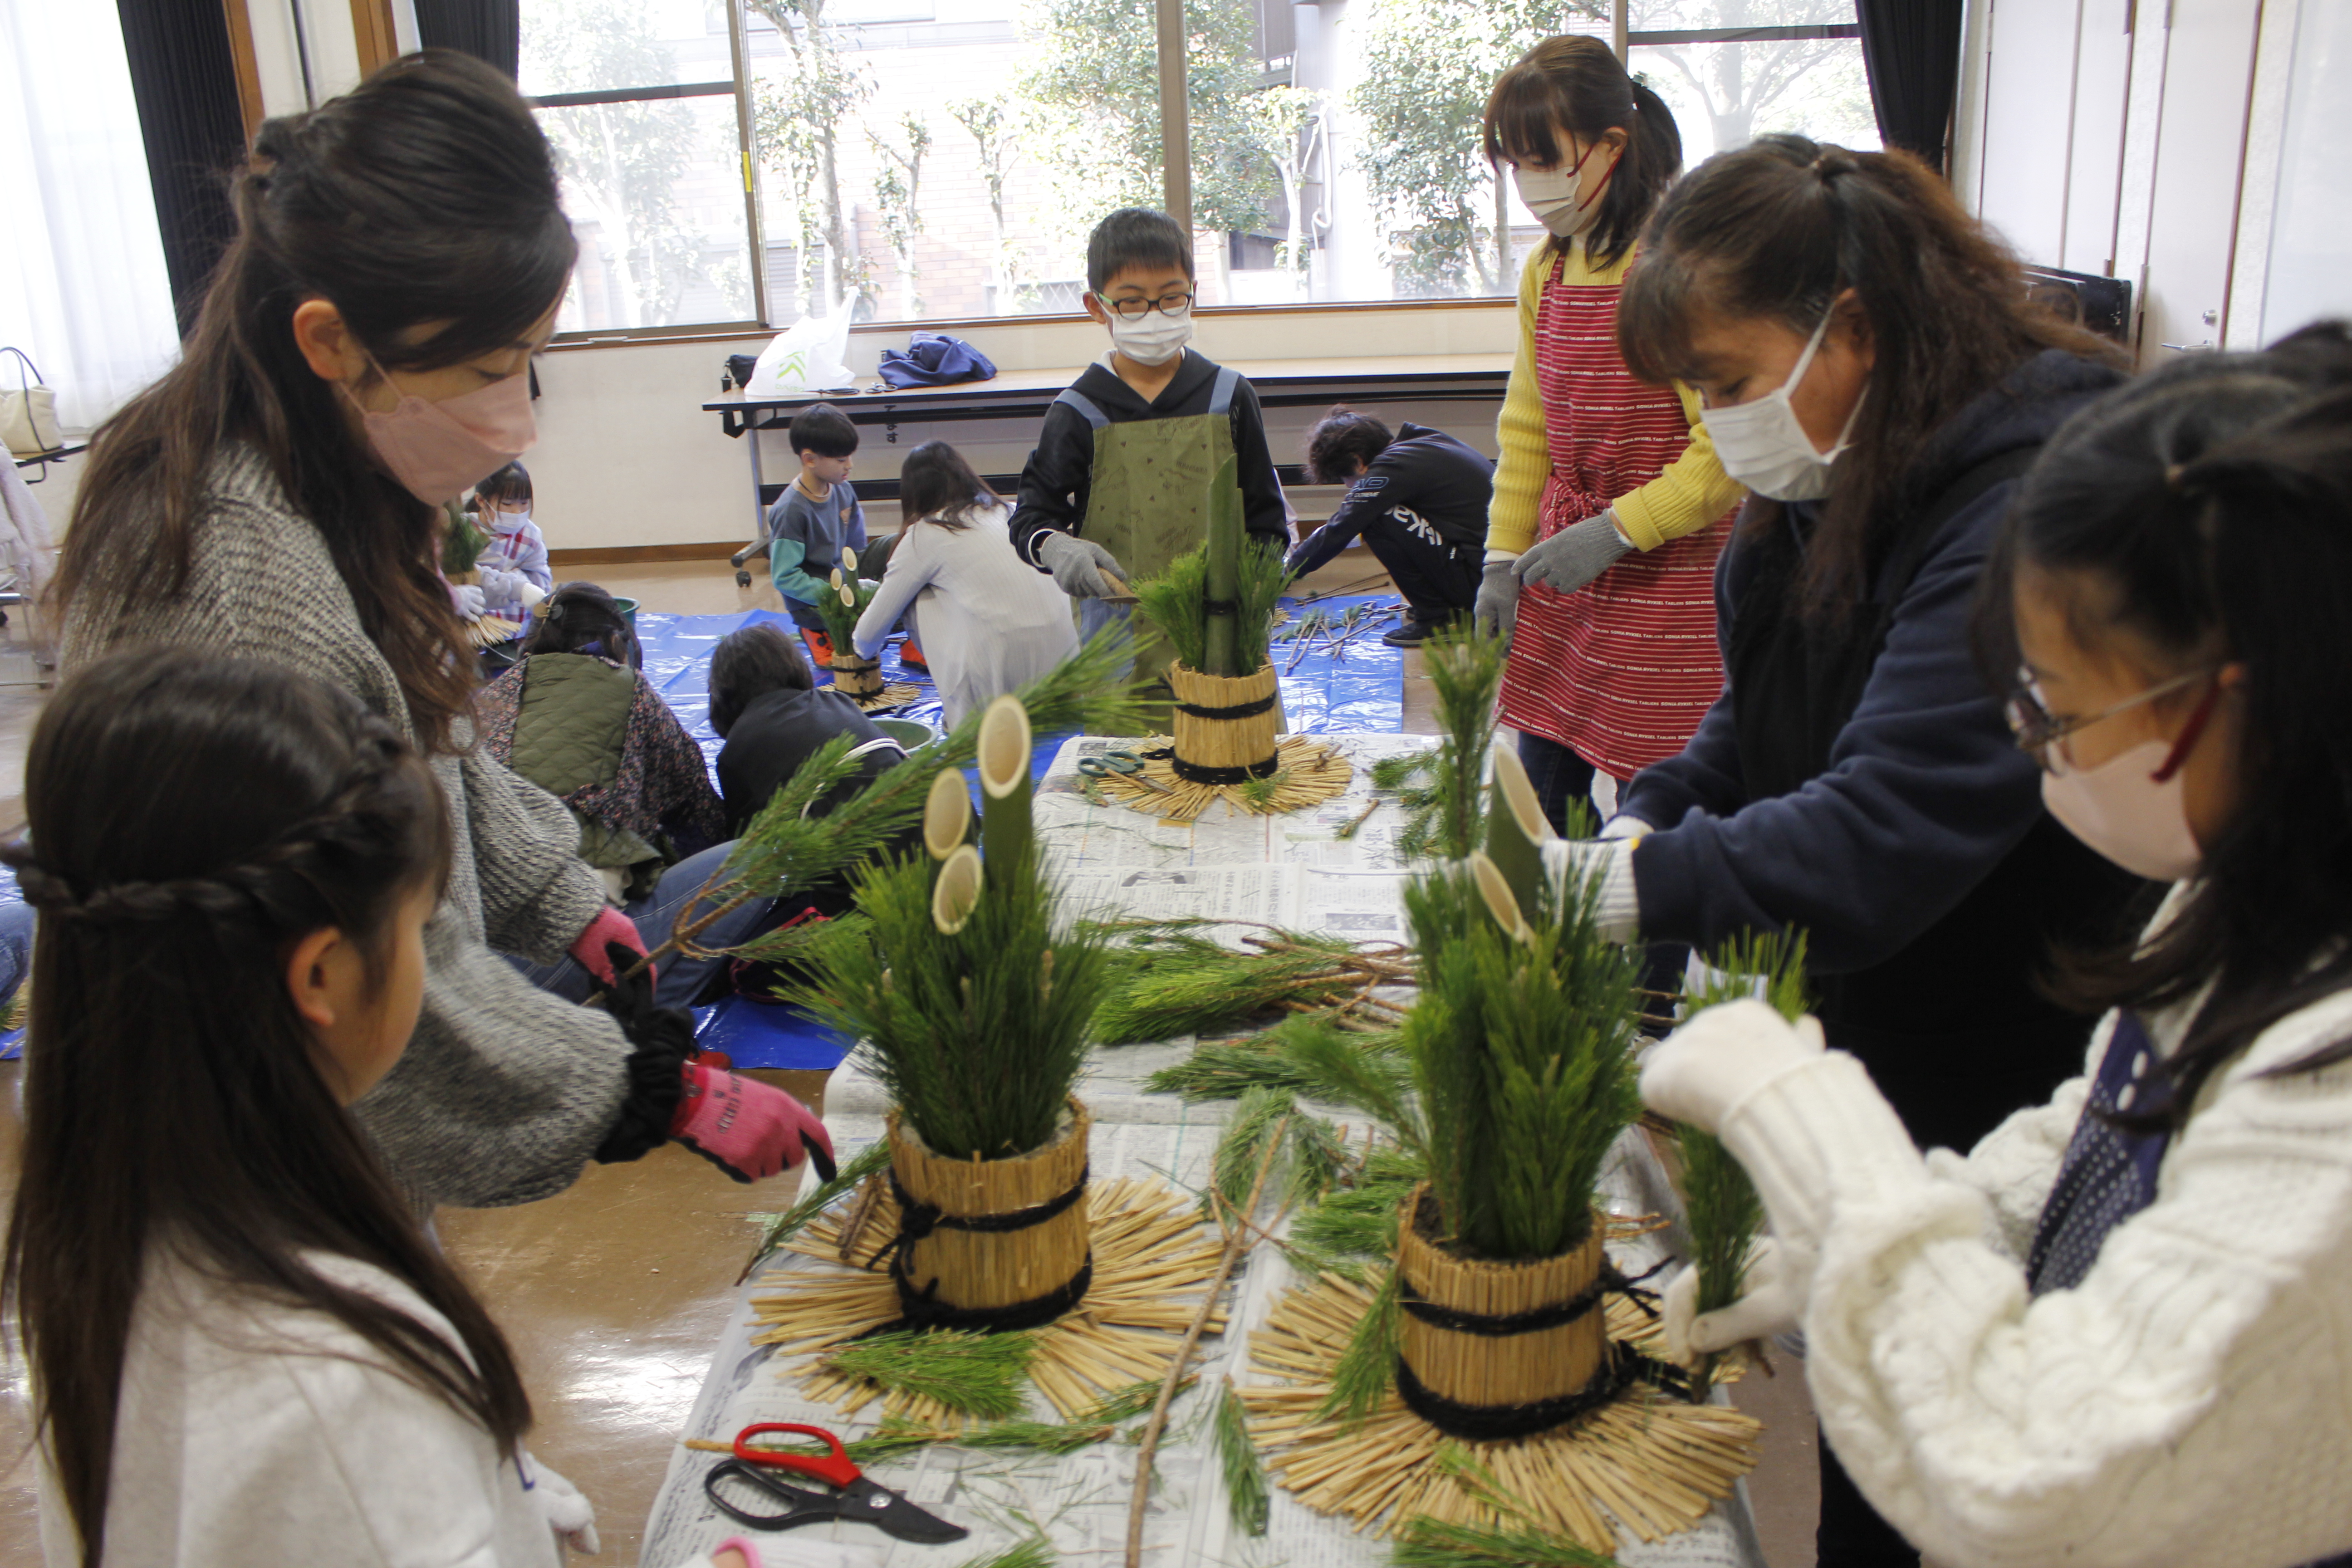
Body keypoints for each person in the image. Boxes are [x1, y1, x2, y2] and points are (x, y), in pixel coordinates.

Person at [51, 52, 828, 1207]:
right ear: (328, 341)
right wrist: (645, 1094)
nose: (515, 411)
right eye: (486, 366)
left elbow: (429, 753)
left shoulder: (320, 466)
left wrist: (565, 900)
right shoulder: (240, 584)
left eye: (529, 361)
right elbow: (346, 969)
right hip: (260, 1155)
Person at [1645, 327, 2352, 1568]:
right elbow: (2102, 1146)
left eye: (2060, 708)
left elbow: (2035, 1484)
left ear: (2246, 697)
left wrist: (1811, 1126)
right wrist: (1857, 1245)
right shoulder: (2255, 891)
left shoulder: (2333, 1082)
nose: (2029, 742)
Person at [1556, 135, 2145, 1566]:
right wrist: (1653, 809)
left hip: (2016, 1029)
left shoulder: (2020, 500)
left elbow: (1884, 832)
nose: (1717, 424)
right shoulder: (1838, 471)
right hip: (1900, 1043)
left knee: (1973, 1453)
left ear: (1855, 327)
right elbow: (1772, 724)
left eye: (1729, 383)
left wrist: (1632, 888)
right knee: (1885, 1418)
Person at [2, 649, 771, 1568]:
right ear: (323, 973)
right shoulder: (342, 1389)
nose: (439, 963)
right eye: (422, 930)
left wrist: (500, 1491)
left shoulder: (104, 1243)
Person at [1475, 37, 1746, 829]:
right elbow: (1528, 424)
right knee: (1542, 780)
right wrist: (1499, 558)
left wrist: (1618, 531)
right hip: (1566, 564)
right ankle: (1553, 946)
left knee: (1651, 799)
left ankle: (1636, 951)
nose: (1529, 185)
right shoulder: (1546, 269)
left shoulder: (1676, 268)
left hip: (1670, 573)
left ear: (1608, 149)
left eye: (1543, 160)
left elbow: (1722, 455)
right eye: (1513, 163)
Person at [1008, 207, 1290, 680]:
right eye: (1132, 303)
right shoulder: (1079, 411)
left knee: (1228, 745)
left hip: (1222, 633)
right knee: (1131, 752)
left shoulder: (1229, 397)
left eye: (1171, 298)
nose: (1154, 315)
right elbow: (1031, 519)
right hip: (1120, 641)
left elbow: (1267, 521)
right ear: (1097, 307)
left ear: (1193, 294)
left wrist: (1253, 595)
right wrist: (1056, 548)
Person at [476, 582, 725, 902]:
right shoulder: (629, 687)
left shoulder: (494, 694)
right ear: (614, 641)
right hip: (575, 906)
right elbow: (694, 798)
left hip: (480, 894)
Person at [853, 441, 1080, 726]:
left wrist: (857, 654)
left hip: (995, 696)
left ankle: (963, 713)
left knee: (918, 598)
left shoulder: (924, 534)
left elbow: (867, 637)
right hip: (1071, 674)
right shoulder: (1011, 510)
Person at [1284, 407, 1493, 647]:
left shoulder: (1393, 466)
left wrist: (1285, 573)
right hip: (1489, 572)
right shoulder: (1421, 443)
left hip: (1483, 582)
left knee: (1376, 515)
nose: (1347, 487)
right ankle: (1445, 605)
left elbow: (1340, 528)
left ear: (1358, 461)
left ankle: (1439, 617)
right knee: (1374, 510)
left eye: (1344, 477)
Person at [764, 402, 925, 674]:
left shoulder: (843, 490)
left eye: (850, 457)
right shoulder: (791, 510)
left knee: (908, 545)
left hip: (847, 576)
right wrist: (840, 593)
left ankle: (915, 643)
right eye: (841, 460)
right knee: (878, 605)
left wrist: (871, 580)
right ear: (810, 459)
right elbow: (785, 577)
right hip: (816, 598)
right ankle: (816, 633)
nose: (850, 465)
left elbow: (858, 550)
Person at [709, 622, 907, 838]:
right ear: (795, 667)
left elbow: (742, 846)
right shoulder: (838, 700)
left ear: (723, 694)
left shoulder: (737, 750)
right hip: (923, 816)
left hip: (858, 856)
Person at [469, 461, 552, 636]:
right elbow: (468, 578)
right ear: (481, 501)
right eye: (507, 504)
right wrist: (518, 586)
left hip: (519, 630)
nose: (517, 511)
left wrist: (500, 582)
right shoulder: (464, 532)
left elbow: (541, 582)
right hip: (476, 631)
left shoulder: (531, 535)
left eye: (524, 503)